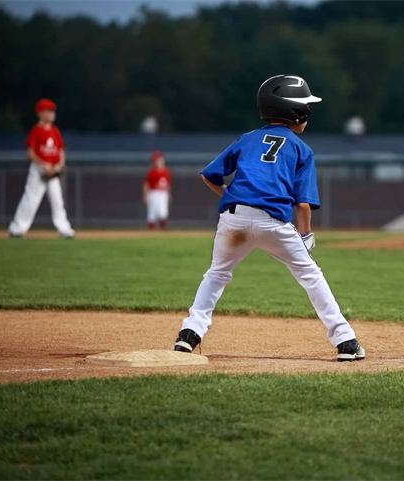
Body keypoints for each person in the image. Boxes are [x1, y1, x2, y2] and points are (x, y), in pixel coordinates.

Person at [172, 75, 366, 362]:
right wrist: (306, 236)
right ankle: (345, 342)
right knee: (310, 275)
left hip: (233, 218)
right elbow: (302, 204)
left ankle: (188, 335)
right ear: (296, 112)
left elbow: (209, 175)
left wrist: (229, 195)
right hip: (273, 222)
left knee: (216, 275)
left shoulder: (247, 139)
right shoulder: (301, 149)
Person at [7, 99, 75, 239]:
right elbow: (30, 152)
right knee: (31, 200)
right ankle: (17, 229)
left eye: (52, 111)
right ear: (40, 113)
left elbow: (60, 150)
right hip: (39, 170)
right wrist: (43, 164)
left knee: (58, 201)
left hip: (53, 170)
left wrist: (59, 165)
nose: (52, 113)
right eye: (48, 111)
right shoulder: (36, 131)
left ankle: (65, 230)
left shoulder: (55, 131)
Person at [144, 151, 171, 230]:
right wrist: (145, 195)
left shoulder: (166, 171)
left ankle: (163, 229)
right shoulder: (152, 172)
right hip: (153, 193)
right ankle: (151, 229)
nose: (157, 162)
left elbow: (168, 185)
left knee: (163, 212)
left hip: (163, 193)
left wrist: (169, 194)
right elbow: (146, 184)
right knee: (152, 212)